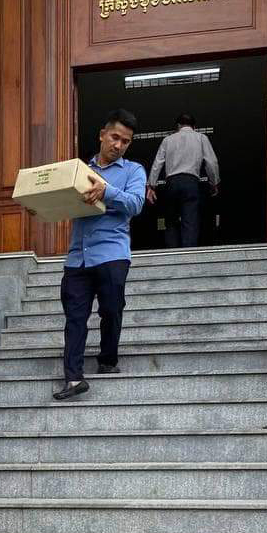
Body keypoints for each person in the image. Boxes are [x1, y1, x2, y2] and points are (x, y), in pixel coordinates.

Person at [53, 109, 147, 401]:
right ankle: (73, 378)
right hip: (77, 257)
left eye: (125, 141)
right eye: (115, 137)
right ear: (102, 135)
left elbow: (136, 204)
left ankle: (107, 359)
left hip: (112, 253)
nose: (118, 145)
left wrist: (106, 191)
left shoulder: (133, 171)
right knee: (75, 317)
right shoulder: (80, 171)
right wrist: (41, 205)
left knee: (111, 309)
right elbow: (60, 202)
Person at [145, 112, 220, 249]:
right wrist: (214, 183)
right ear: (194, 127)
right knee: (190, 220)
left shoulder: (168, 140)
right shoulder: (201, 138)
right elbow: (211, 162)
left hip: (171, 183)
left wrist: (151, 186)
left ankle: (172, 253)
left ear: (178, 126)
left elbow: (157, 163)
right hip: (191, 182)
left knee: (170, 220)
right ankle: (189, 254)